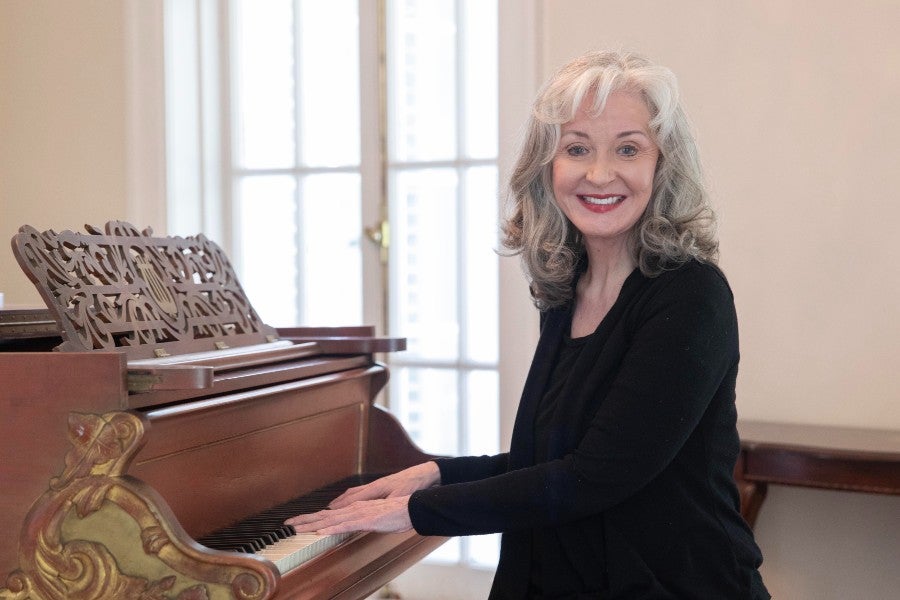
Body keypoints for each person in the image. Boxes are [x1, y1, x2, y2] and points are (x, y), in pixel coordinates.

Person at [286, 50, 770, 599]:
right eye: (576, 149)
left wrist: (416, 512)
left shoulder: (691, 295)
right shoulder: (567, 291)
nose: (599, 173)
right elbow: (554, 459)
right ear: (547, 167)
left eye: (628, 149)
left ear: (662, 166)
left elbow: (595, 476)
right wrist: (436, 474)